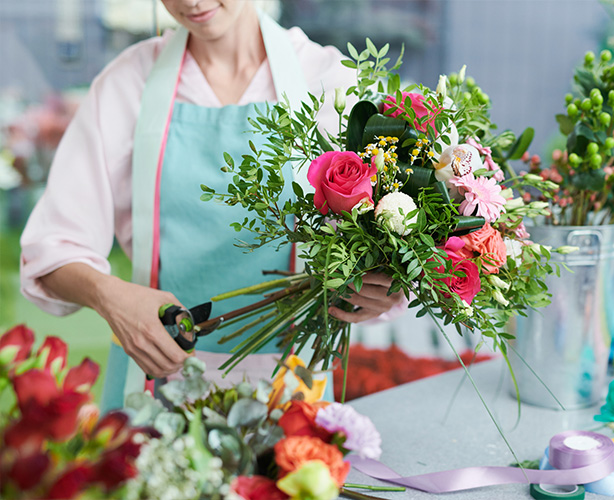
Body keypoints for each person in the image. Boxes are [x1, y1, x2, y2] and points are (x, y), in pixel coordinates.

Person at [19, 0, 404, 411]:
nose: (191, 2)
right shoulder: (127, 84)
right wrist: (110, 297)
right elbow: (51, 247)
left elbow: (390, 232)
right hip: (152, 385)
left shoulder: (331, 83)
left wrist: (382, 288)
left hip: (292, 398)